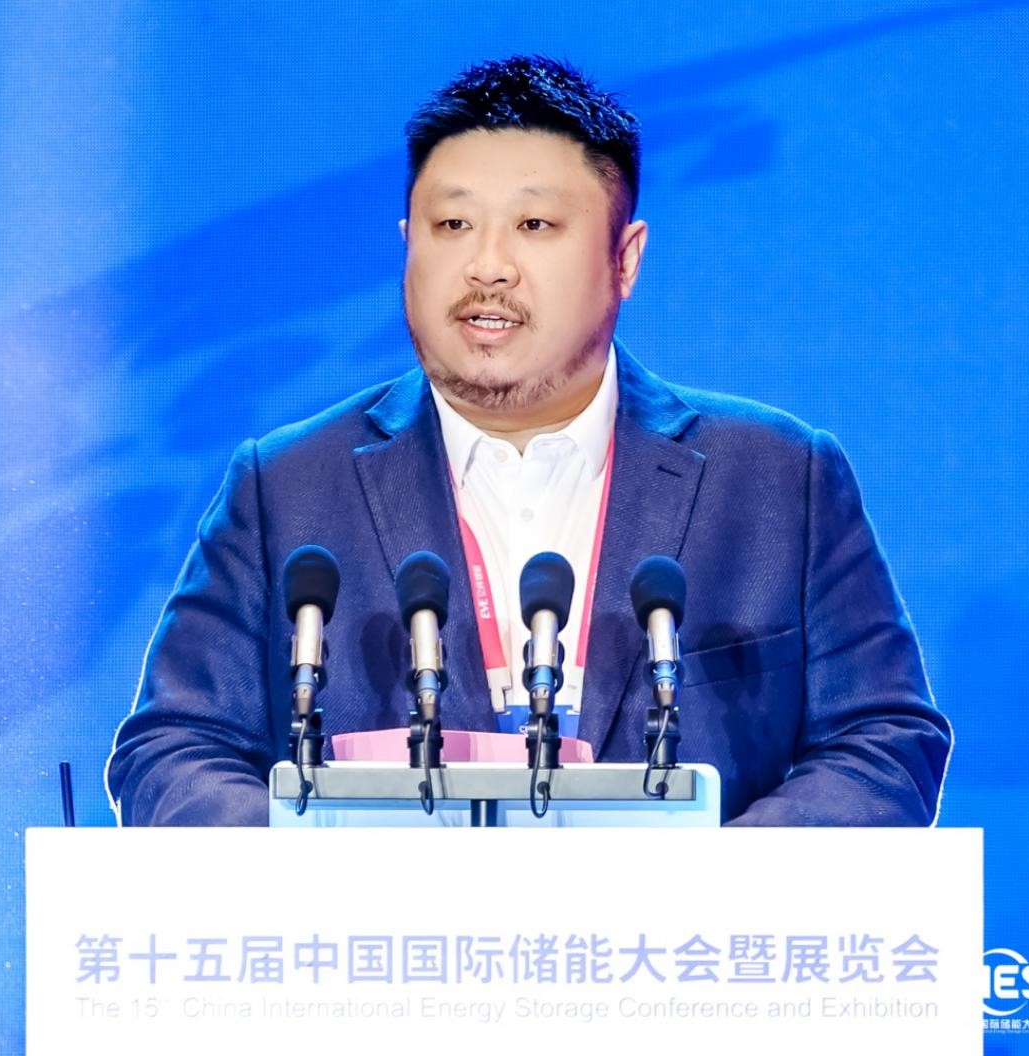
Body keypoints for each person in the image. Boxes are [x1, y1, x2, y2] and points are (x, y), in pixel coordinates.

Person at [106, 56, 951, 826]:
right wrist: (332, 884)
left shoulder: (779, 478)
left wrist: (700, 897)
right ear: (406, 245)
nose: (488, 267)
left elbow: (883, 743)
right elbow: (172, 751)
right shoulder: (285, 487)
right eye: (452, 226)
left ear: (625, 259)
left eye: (536, 226)